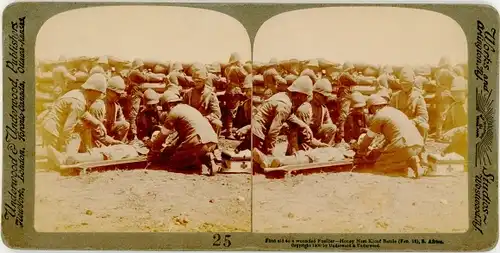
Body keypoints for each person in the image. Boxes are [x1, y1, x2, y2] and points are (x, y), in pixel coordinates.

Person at [147, 91, 219, 174]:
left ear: (169, 104)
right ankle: (205, 156)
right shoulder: (189, 108)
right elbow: (185, 136)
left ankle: (198, 161)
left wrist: (154, 149)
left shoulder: (174, 112)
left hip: (198, 143)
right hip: (212, 142)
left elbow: (162, 135)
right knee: (181, 153)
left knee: (172, 163)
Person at [356, 94, 425, 178]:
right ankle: (411, 160)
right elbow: (393, 135)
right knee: (394, 156)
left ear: (373, 107)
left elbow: (369, 137)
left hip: (403, 145)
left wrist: (361, 149)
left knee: (379, 166)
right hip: (418, 144)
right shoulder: (396, 111)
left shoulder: (379, 116)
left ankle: (408, 163)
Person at [41, 73, 108, 154]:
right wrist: (65, 147)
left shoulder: (78, 94)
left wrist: (98, 124)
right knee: (57, 161)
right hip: (53, 130)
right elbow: (68, 128)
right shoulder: (79, 103)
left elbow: (83, 113)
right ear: (92, 90)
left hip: (52, 127)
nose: (99, 96)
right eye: (99, 93)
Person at [251, 76, 313, 155]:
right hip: (258, 133)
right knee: (259, 160)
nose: (305, 100)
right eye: (306, 97)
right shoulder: (285, 105)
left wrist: (304, 126)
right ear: (300, 95)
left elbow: (289, 115)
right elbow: (273, 132)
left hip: (257, 129)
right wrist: (270, 152)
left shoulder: (284, 96)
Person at [287, 78, 337, 154]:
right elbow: (304, 136)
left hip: (314, 136)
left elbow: (330, 125)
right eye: (325, 97)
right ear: (316, 95)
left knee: (332, 127)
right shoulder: (305, 109)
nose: (327, 99)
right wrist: (320, 145)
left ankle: (324, 152)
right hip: (301, 140)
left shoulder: (323, 108)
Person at [389, 66, 429, 141]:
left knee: (424, 126)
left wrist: (412, 122)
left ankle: (419, 148)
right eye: (403, 83)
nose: (405, 85)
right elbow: (389, 114)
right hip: (398, 125)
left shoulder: (418, 97)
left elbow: (423, 117)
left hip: (413, 125)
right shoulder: (395, 97)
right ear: (400, 83)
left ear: (412, 83)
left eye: (408, 83)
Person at [183, 69, 223, 135]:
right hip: (190, 120)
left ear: (204, 81)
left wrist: (204, 119)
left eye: (199, 81)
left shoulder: (210, 95)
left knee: (217, 123)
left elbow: (217, 113)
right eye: (195, 81)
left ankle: (213, 144)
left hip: (205, 120)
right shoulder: (188, 94)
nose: (196, 83)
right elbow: (182, 109)